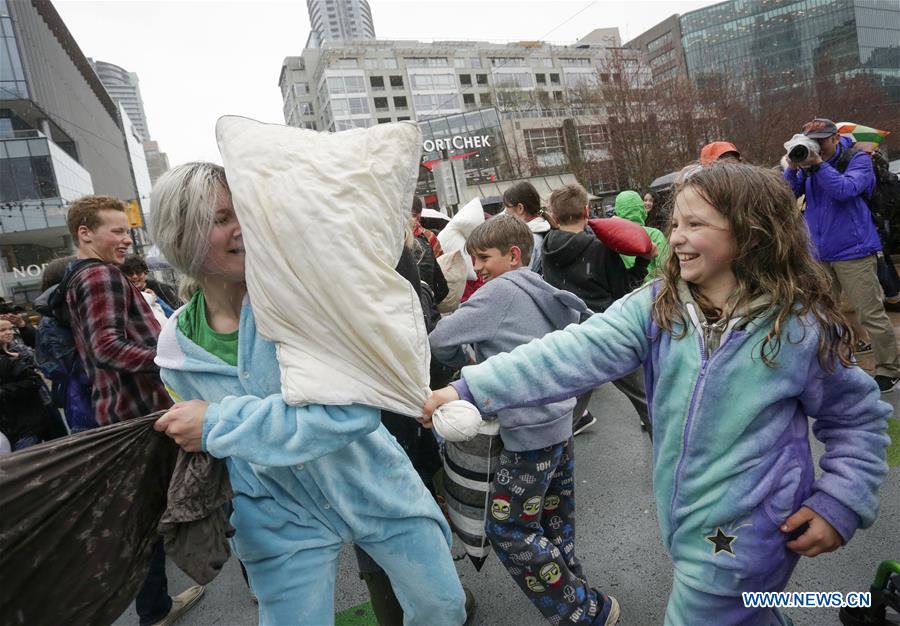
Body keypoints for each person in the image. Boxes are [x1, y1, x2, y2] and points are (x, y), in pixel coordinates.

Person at [423, 163, 890, 626]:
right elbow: (566, 353)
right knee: (746, 615)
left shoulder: (799, 326)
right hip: (686, 523)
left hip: (748, 535)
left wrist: (841, 500)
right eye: (676, 224)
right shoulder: (656, 306)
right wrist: (470, 388)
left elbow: (857, 418)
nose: (677, 237)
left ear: (751, 232)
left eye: (696, 224)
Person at [149, 162, 467, 626]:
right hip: (276, 517)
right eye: (220, 218)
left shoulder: (304, 302)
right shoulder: (176, 349)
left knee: (442, 607)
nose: (242, 227)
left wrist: (217, 424)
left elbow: (353, 413)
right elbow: (208, 449)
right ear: (180, 236)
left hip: (372, 483)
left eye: (245, 212)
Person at [429, 214, 620, 626]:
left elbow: (440, 339)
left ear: (513, 255)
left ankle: (581, 613)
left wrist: (463, 362)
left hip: (526, 434)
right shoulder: (541, 288)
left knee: (509, 529)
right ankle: (588, 599)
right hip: (559, 424)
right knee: (554, 523)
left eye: (484, 257)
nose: (477, 267)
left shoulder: (497, 292)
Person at [61, 195, 203, 626]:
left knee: (146, 513)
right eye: (117, 231)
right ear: (85, 233)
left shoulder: (85, 275)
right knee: (189, 496)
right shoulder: (99, 275)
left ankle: (155, 607)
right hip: (142, 412)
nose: (126, 239)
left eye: (128, 230)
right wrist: (172, 360)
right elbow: (106, 348)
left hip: (128, 409)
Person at [783, 117, 900, 392]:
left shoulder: (857, 159)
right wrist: (793, 168)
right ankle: (834, 366)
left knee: (870, 313)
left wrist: (818, 165)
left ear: (836, 138)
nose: (817, 145)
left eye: (822, 140)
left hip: (854, 250)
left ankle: (889, 369)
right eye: (812, 140)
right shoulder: (808, 165)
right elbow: (785, 195)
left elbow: (844, 190)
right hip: (819, 253)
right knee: (822, 315)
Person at [542, 184, 651, 436]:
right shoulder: (600, 249)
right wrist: (643, 262)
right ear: (587, 210)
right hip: (606, 333)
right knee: (648, 400)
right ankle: (673, 453)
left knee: (570, 410)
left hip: (571, 336)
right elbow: (624, 291)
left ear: (554, 216)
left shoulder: (548, 247)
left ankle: (555, 453)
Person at [0, 318, 45, 451]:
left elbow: (34, 379)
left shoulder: (11, 358)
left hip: (22, 424)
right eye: (3, 330)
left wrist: (3, 391)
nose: (9, 332)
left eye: (10, 329)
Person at [614, 190, 669, 284]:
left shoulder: (611, 238)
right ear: (641, 209)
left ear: (617, 212)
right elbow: (667, 268)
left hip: (627, 289)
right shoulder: (655, 235)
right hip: (653, 289)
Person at [503, 181, 556, 273]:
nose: (505, 213)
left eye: (507, 208)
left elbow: (522, 277)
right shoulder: (544, 229)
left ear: (520, 208)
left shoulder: (529, 240)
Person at [121, 255, 174, 325]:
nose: (135, 276)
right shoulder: (123, 294)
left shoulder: (161, 289)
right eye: (130, 274)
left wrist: (157, 300)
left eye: (138, 272)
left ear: (145, 273)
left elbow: (175, 314)